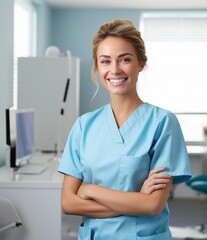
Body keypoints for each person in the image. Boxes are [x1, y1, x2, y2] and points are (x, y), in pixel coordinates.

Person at [58, 18, 191, 240]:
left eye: (125, 59)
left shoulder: (163, 123)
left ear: (140, 63)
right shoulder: (84, 126)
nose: (115, 70)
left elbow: (153, 205)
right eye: (106, 61)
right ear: (98, 67)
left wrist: (91, 190)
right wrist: (135, 199)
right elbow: (68, 203)